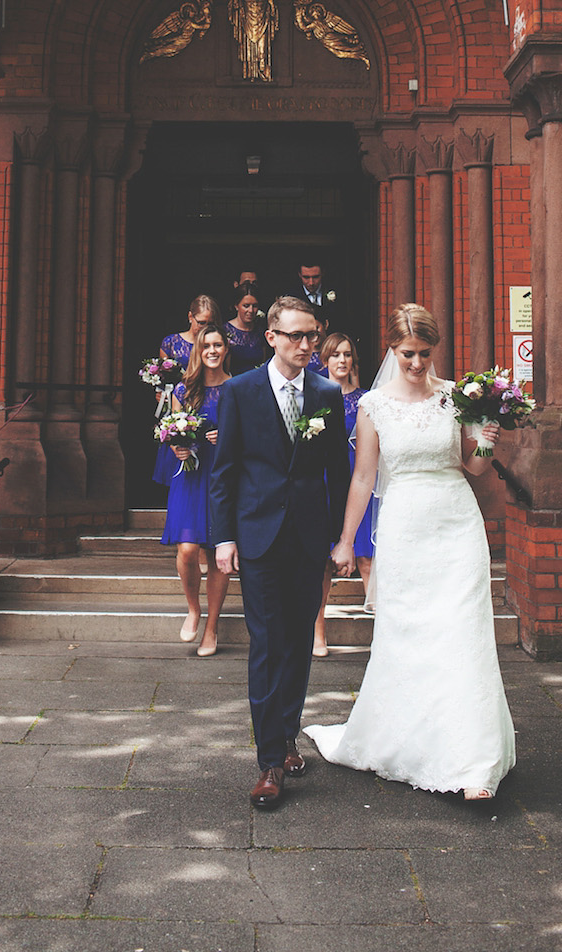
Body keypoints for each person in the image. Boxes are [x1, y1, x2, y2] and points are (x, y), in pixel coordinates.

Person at [304, 304, 516, 800]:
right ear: (391, 351)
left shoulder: (453, 399)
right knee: (409, 638)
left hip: (457, 524)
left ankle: (474, 763)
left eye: (423, 354)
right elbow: (364, 477)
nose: (417, 364)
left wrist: (485, 442)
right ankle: (414, 742)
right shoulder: (374, 407)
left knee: (465, 634)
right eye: (407, 355)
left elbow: (473, 468)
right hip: (403, 528)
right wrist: (343, 539)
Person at [210, 296, 350, 810]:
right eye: (295, 336)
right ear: (271, 337)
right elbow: (224, 472)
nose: (306, 345)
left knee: (296, 642)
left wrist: (340, 540)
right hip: (259, 537)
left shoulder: (327, 393)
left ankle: (288, 732)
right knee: (267, 644)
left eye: (311, 335)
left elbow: (336, 470)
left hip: (309, 537)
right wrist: (223, 538)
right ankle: (269, 759)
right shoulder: (240, 391)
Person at [161, 324, 233, 657]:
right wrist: (178, 448)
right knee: (188, 549)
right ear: (198, 352)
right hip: (190, 476)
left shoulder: (237, 389)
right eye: (207, 346)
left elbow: (252, 436)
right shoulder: (183, 390)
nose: (213, 351)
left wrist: (230, 440)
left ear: (226, 349)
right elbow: (171, 434)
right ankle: (193, 608)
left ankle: (212, 627)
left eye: (218, 345)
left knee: (220, 555)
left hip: (223, 477)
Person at [312, 332, 371, 658]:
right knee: (322, 560)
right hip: (323, 481)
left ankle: (381, 627)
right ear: (325, 360)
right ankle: (318, 630)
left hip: (358, 479)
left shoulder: (366, 399)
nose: (342, 360)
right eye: (336, 355)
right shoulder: (315, 395)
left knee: (365, 556)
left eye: (347, 354)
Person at [152, 295, 222, 489]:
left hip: (207, 400)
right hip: (182, 401)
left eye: (210, 323)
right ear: (190, 317)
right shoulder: (172, 342)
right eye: (201, 322)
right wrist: (162, 394)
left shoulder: (216, 344)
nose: (205, 327)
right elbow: (163, 378)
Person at [224, 282, 268, 375]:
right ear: (236, 306)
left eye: (255, 306)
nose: (251, 311)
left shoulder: (260, 331)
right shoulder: (225, 330)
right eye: (246, 306)